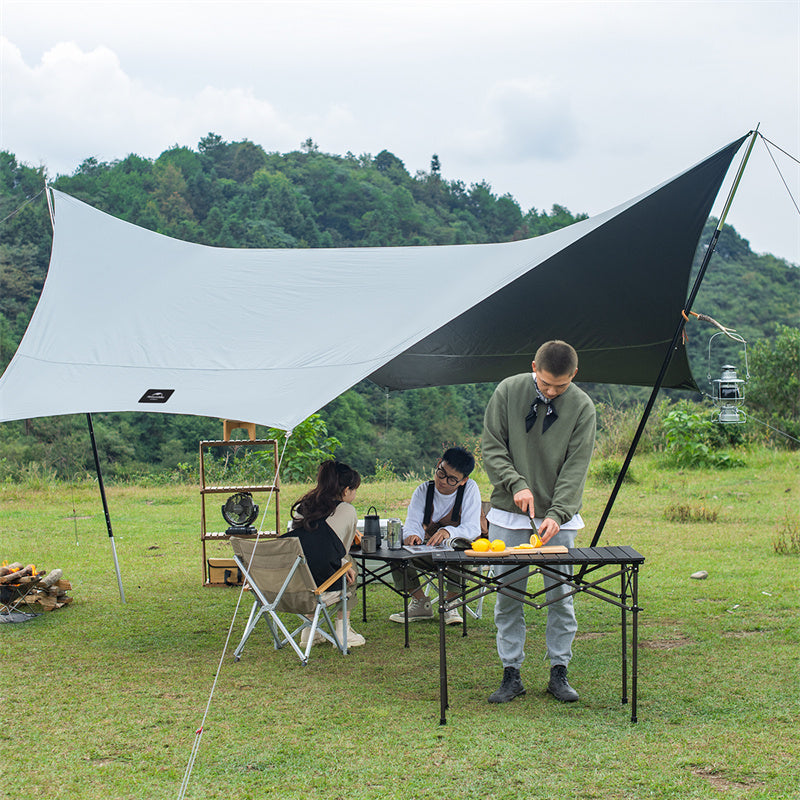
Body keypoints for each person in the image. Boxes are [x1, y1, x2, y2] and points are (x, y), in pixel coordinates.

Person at [482, 340, 596, 703]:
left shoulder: (582, 407)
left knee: (561, 597)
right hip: (507, 514)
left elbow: (576, 469)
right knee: (508, 596)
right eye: (545, 384)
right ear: (534, 366)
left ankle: (559, 672)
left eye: (559, 386)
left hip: (558, 520)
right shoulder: (507, 391)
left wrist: (557, 514)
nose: (550, 392)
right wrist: (516, 484)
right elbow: (492, 447)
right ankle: (510, 673)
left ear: (573, 375)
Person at [388, 447, 482, 625]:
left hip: (457, 557)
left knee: (461, 547)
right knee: (395, 551)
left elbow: (473, 528)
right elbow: (412, 523)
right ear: (439, 464)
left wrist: (448, 532)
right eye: (441, 473)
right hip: (428, 553)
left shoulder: (470, 489)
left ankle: (451, 603)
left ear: (463, 480)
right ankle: (420, 602)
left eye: (452, 479)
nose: (443, 481)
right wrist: (412, 535)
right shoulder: (423, 490)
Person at [284, 460, 365, 647]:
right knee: (350, 566)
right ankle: (343, 632)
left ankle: (309, 632)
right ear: (346, 490)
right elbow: (341, 551)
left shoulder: (302, 506)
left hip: (293, 586)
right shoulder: (347, 510)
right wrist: (346, 563)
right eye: (354, 490)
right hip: (325, 585)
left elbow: (298, 543)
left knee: (310, 562)